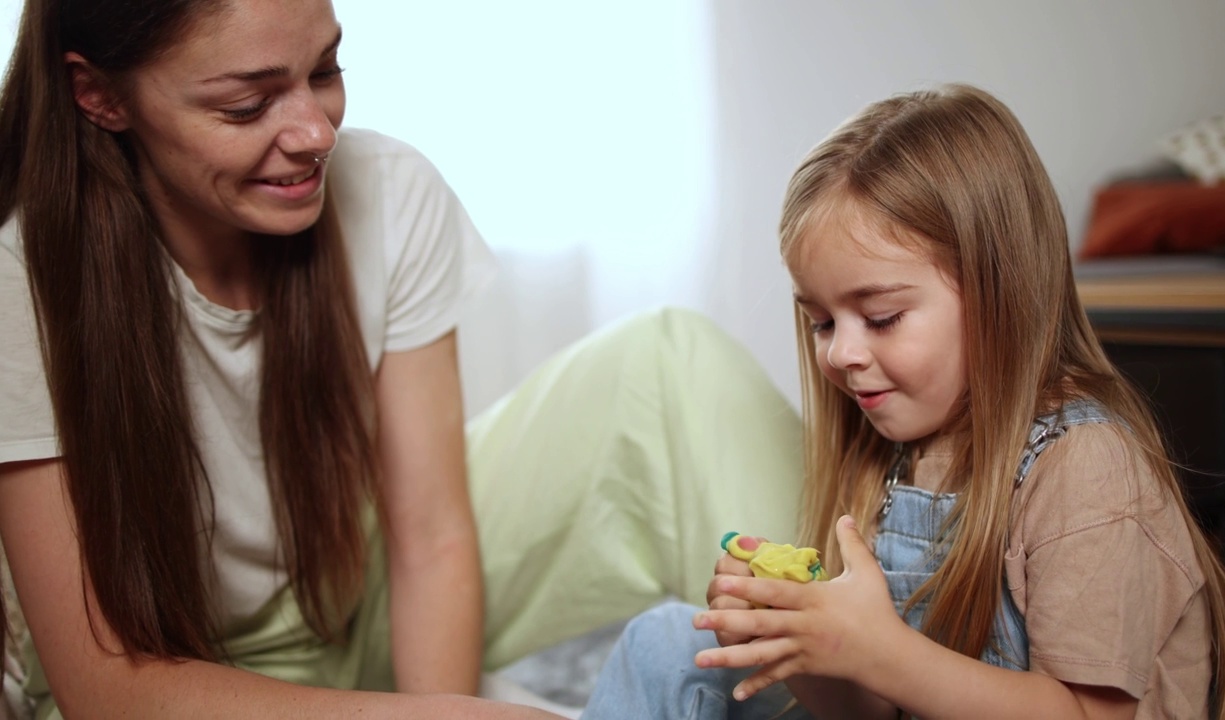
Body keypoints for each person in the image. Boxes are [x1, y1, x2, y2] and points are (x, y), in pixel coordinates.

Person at [0, 0, 806, 717]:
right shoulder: (17, 279)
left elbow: (430, 536)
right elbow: (105, 684)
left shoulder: (387, 189)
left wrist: (440, 708)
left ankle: (863, 662)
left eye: (325, 69)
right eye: (247, 104)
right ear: (100, 95)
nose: (316, 131)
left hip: (355, 597)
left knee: (670, 361)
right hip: (163, 683)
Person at [581, 83, 1225, 720]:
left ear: (999, 293)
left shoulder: (1088, 469)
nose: (840, 353)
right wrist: (806, 641)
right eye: (821, 321)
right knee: (665, 642)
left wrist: (882, 652)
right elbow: (872, 709)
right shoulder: (895, 453)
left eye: (880, 318)